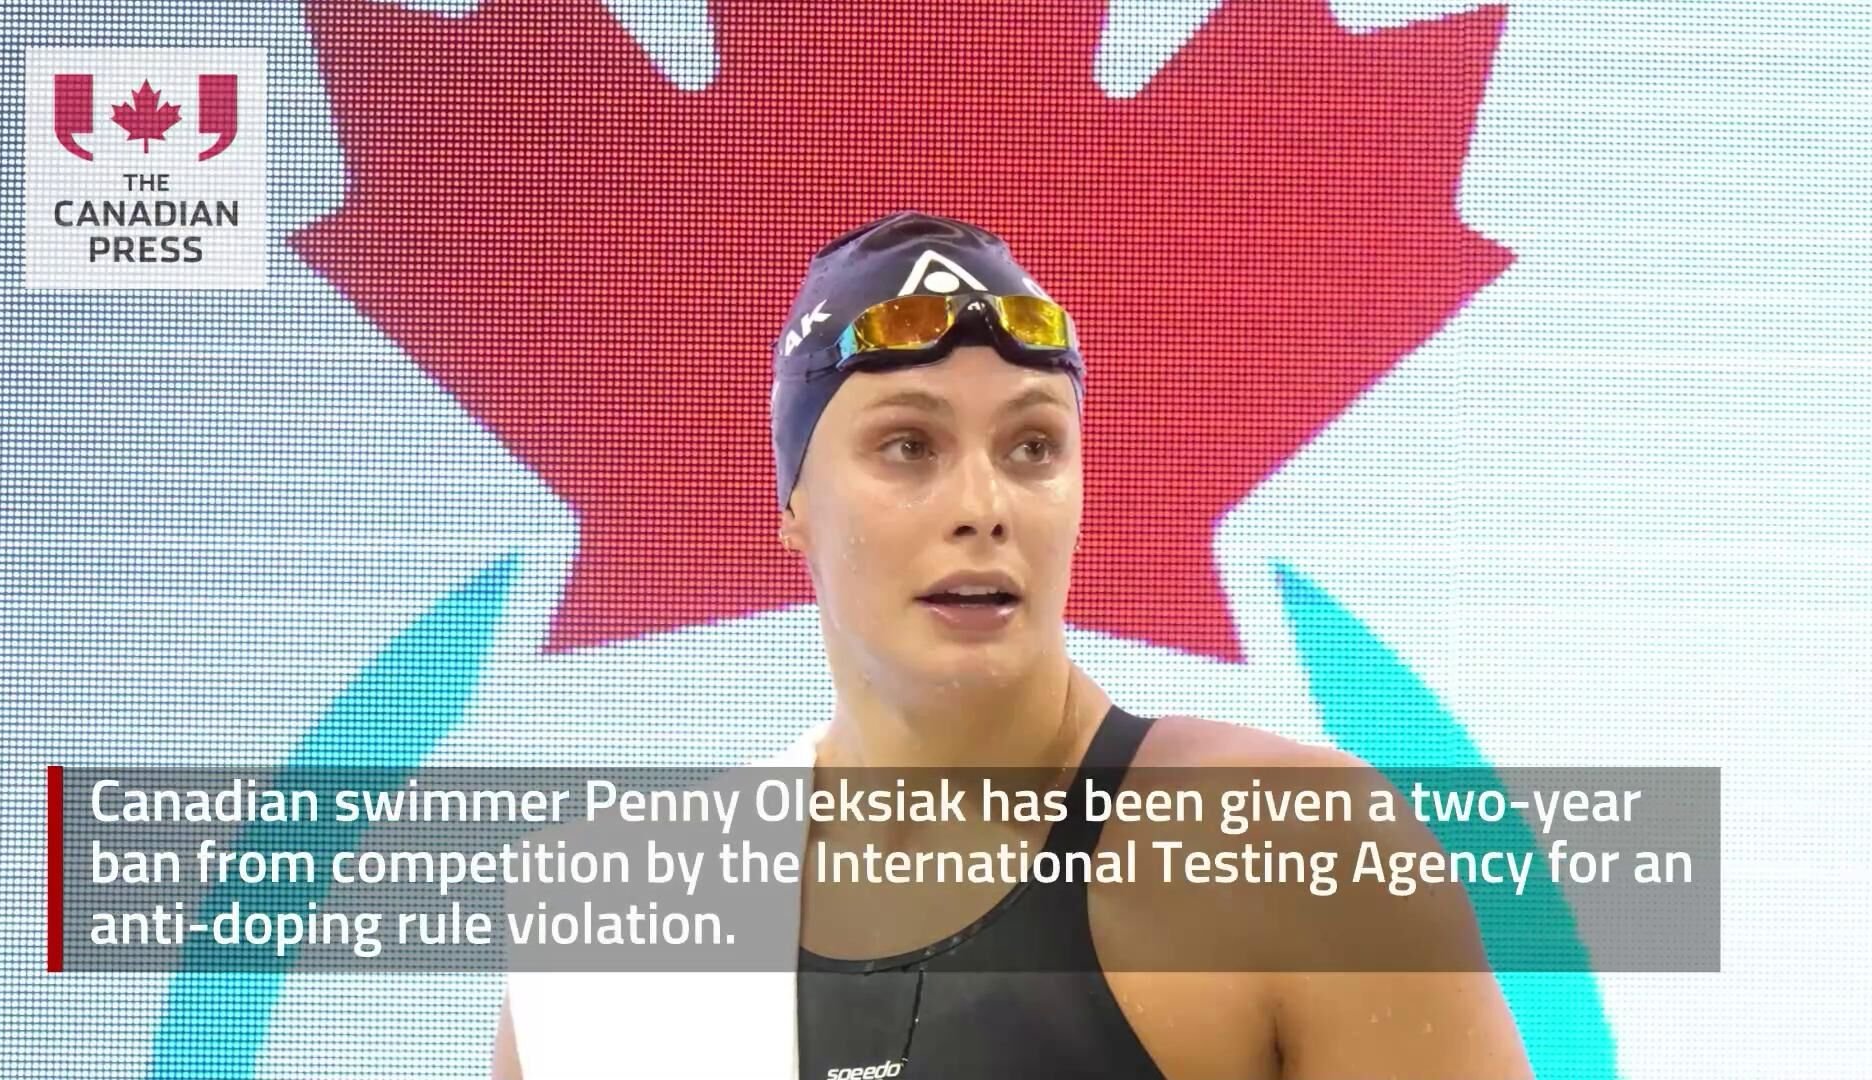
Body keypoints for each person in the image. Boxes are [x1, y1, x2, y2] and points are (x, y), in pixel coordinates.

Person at [493, 210, 1534, 1079]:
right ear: (795, 506)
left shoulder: (1298, 852)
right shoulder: (617, 922)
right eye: (909, 445)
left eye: (1032, 446)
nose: (983, 505)